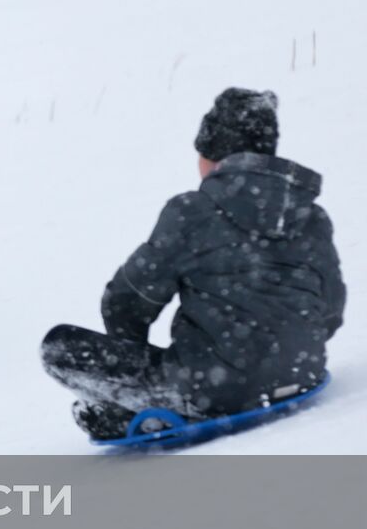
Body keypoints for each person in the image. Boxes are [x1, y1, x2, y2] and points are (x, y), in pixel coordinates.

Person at [42, 88, 346, 439]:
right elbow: (330, 312)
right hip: (303, 373)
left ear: (212, 155)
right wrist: (283, 351)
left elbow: (126, 300)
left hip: (214, 390)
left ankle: (141, 411)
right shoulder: (312, 216)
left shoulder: (192, 212)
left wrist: (132, 366)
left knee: (58, 347)